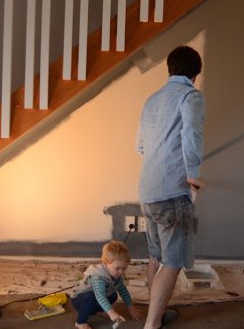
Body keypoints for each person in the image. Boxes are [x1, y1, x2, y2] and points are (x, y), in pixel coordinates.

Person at [136, 45, 205, 329]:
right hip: (172, 193)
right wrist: (193, 173)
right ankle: (152, 324)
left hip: (147, 190)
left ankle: (155, 314)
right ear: (195, 73)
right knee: (173, 261)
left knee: (156, 256)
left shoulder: (152, 99)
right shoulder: (191, 96)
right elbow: (191, 134)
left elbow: (140, 145)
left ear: (170, 69)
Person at [70, 240, 143, 329]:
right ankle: (80, 322)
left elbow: (123, 291)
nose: (121, 272)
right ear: (105, 263)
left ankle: (101, 310)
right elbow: (100, 296)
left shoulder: (117, 275)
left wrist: (131, 308)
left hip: (94, 296)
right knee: (91, 298)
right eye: (117, 268)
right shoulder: (98, 277)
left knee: (113, 295)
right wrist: (111, 312)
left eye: (124, 268)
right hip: (78, 299)